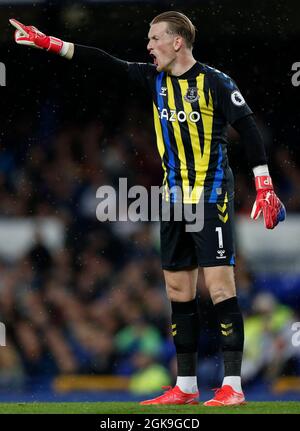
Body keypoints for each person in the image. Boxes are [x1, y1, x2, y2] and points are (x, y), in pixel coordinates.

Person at [9, 11, 285, 406]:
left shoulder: (215, 82)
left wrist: (263, 182)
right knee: (178, 290)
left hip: (209, 196)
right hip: (173, 200)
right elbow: (103, 61)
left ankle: (233, 387)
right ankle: (186, 386)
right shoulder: (152, 78)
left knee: (221, 286)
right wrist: (49, 42)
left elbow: (249, 127)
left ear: (177, 42)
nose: (149, 46)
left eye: (155, 39)